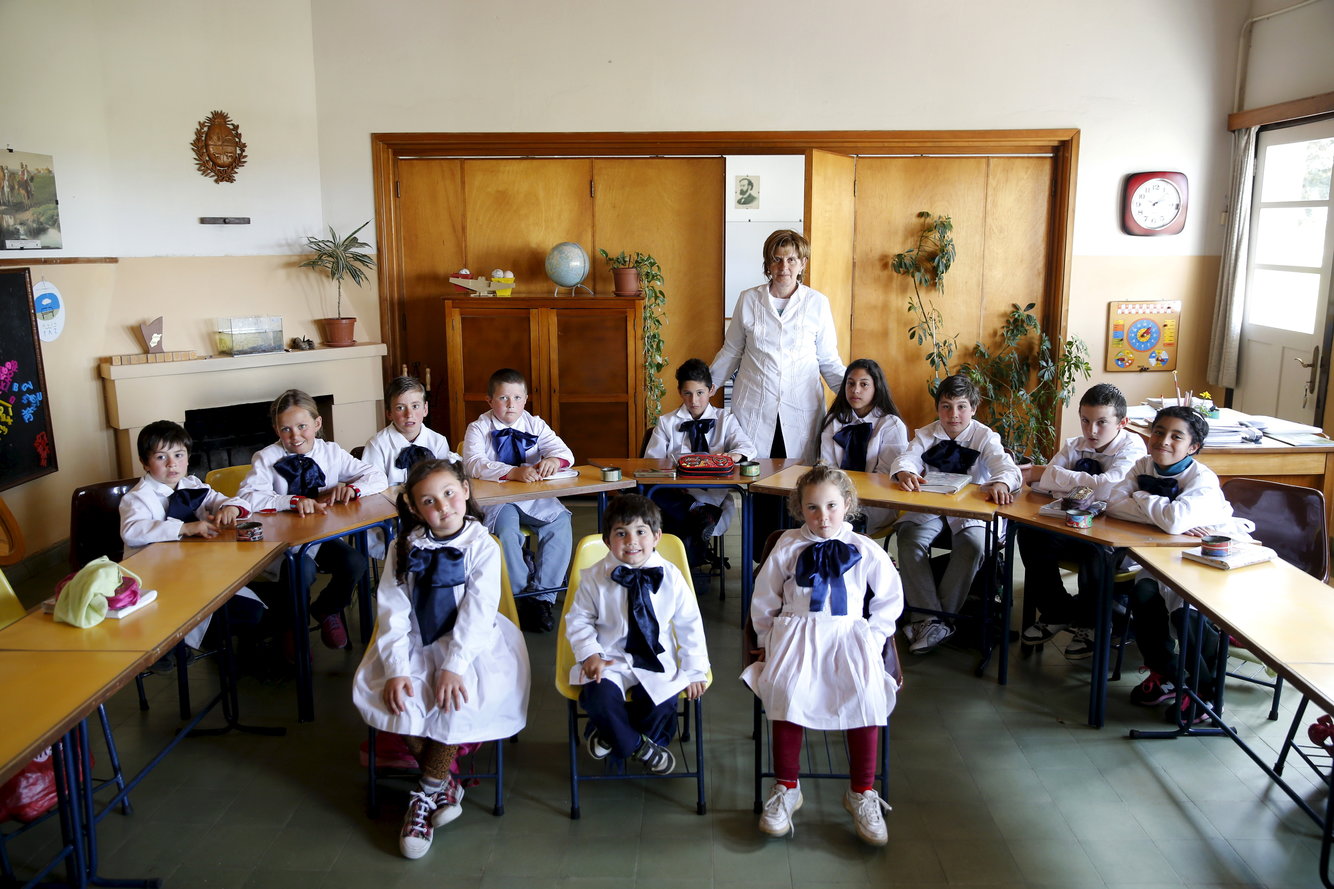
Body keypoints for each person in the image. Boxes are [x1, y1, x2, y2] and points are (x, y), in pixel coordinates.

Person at [352, 458, 530, 859]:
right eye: (430, 501)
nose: (444, 506)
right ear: (415, 508)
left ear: (466, 490)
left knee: (454, 698)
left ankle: (425, 794)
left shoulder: (482, 545)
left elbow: (479, 611)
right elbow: (392, 613)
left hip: (473, 644)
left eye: (450, 493)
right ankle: (446, 783)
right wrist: (398, 668)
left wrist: (454, 665)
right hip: (415, 641)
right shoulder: (404, 547)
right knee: (396, 695)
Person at [742, 465, 903, 846]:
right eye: (812, 508)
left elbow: (889, 599)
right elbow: (764, 599)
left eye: (831, 505)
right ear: (800, 509)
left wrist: (875, 635)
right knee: (786, 691)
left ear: (847, 504)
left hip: (848, 635)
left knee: (865, 693)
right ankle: (787, 787)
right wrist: (767, 642)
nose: (823, 516)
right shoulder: (788, 548)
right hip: (797, 634)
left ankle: (862, 792)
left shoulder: (864, 549)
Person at [1103, 405, 1254, 724]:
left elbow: (1174, 522)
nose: (1163, 441)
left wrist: (1142, 499)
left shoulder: (1202, 478)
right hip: (1162, 552)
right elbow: (1114, 505)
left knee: (1187, 614)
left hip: (1211, 554)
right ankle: (1168, 674)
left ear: (1193, 447)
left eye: (1176, 436)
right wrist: (1163, 511)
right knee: (1143, 594)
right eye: (1159, 432)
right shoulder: (1143, 464)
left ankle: (1207, 693)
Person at [564, 493, 709, 775]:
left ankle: (611, 734)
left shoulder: (671, 576)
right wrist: (589, 654)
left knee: (663, 701)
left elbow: (690, 624)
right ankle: (639, 747)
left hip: (655, 658)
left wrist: (694, 670)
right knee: (597, 697)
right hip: (609, 658)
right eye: (621, 533)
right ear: (607, 541)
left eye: (640, 532)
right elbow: (579, 619)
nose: (631, 541)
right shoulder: (594, 577)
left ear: (656, 536)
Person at [237, 389, 388, 649]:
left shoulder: (331, 452)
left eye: (302, 426)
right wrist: (291, 501)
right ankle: (292, 625)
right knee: (301, 570)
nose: (295, 436)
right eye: (286, 429)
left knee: (354, 561)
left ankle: (328, 608)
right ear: (276, 429)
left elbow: (378, 476)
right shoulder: (266, 457)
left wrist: (353, 489)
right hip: (283, 543)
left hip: (321, 536)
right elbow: (247, 498)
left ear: (317, 424)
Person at [890, 374, 1021, 655]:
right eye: (946, 406)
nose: (953, 415)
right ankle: (930, 620)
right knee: (909, 538)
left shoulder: (985, 436)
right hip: (933, 507)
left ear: (973, 408)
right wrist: (905, 471)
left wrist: (1001, 482)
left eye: (961, 406)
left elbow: (1007, 468)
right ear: (938, 408)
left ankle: (937, 620)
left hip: (970, 513)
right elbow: (907, 457)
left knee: (974, 545)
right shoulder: (926, 434)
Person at [1017, 383, 1146, 658]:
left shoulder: (1133, 448)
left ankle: (1092, 625)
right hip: (1073, 527)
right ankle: (1057, 611)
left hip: (1116, 539)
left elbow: (1108, 488)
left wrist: (1056, 477)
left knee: (1094, 550)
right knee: (1029, 533)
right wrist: (1058, 478)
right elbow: (1043, 484)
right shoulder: (1075, 445)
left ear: (1122, 422)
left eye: (1102, 423)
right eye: (1085, 421)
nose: (1091, 431)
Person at [119, 420, 265, 650]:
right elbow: (132, 531)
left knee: (255, 609)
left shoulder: (191, 484)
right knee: (245, 614)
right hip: (158, 577)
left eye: (179, 455)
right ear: (144, 463)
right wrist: (184, 528)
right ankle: (173, 642)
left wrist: (231, 508)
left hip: (196, 569)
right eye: (160, 457)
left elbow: (224, 500)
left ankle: (215, 646)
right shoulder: (138, 497)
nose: (172, 464)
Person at [709, 229, 845, 463]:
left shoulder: (817, 303)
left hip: (801, 406)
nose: (784, 267)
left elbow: (828, 360)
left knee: (798, 480)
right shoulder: (748, 299)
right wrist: (706, 387)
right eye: (777, 259)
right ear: (768, 264)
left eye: (791, 259)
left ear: (802, 264)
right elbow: (732, 351)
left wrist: (855, 393)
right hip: (755, 406)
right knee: (756, 477)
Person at [461, 368, 574, 633]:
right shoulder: (478, 428)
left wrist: (552, 460)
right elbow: (473, 463)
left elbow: (564, 451)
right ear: (490, 401)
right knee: (507, 532)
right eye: (503, 398)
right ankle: (522, 596)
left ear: (525, 399)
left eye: (517, 397)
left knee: (560, 521)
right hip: (498, 499)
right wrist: (512, 471)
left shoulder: (535, 424)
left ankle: (542, 598)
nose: (511, 404)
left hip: (533, 497)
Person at [643, 358, 755, 569]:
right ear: (679, 392)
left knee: (679, 520)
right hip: (676, 492)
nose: (694, 400)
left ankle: (681, 570)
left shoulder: (726, 419)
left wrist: (734, 456)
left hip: (712, 492)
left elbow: (747, 447)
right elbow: (652, 462)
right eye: (687, 393)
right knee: (651, 491)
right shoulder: (667, 422)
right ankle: (697, 538)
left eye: (700, 393)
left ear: (711, 390)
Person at [818, 359, 910, 537]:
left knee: (839, 526)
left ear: (876, 388)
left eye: (864, 384)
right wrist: (839, 499)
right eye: (850, 384)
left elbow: (886, 475)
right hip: (837, 499)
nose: (855, 390)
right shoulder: (834, 421)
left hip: (876, 502)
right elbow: (827, 467)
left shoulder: (891, 425)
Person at [362, 375, 461, 487]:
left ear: (425, 409)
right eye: (400, 408)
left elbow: (444, 483)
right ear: (389, 413)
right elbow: (371, 486)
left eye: (415, 406)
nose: (409, 415)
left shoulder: (438, 442)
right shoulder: (377, 445)